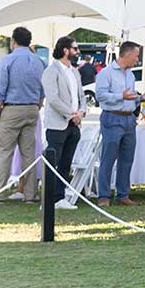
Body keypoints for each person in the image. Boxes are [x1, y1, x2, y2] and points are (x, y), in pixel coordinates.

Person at [0, 25, 45, 202]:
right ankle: (30, 193)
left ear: (13, 41)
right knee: (29, 152)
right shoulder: (39, 62)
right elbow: (43, 90)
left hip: (11, 108)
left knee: (4, 151)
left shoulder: (8, 60)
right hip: (32, 108)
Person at [93, 41, 144, 205]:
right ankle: (103, 195)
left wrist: (142, 98)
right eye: (136, 56)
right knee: (108, 157)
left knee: (127, 158)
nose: (137, 60)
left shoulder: (131, 74)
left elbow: (131, 97)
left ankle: (123, 194)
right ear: (128, 55)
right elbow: (100, 96)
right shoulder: (106, 73)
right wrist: (121, 96)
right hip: (112, 117)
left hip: (129, 118)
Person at [43, 35, 85, 204]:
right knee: (54, 162)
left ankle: (60, 197)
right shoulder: (51, 71)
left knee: (66, 164)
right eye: (75, 48)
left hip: (74, 126)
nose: (78, 51)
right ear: (65, 50)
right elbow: (53, 99)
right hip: (57, 125)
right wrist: (71, 115)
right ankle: (50, 198)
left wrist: (81, 113)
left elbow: (81, 96)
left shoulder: (75, 72)